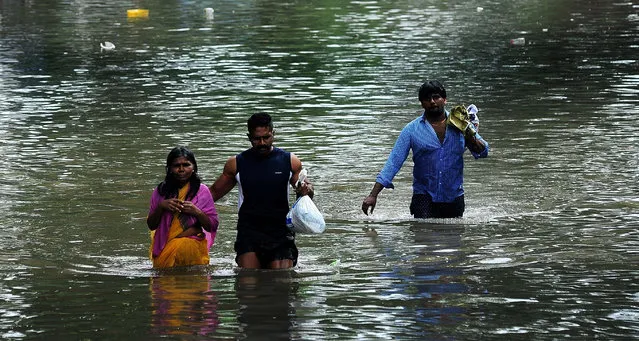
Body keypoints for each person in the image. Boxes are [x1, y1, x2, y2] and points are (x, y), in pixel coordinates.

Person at [361, 80, 489, 219]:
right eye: (427, 99)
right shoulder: (411, 130)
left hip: (454, 196)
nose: (432, 101)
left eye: (436, 97)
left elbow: (483, 151)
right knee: (423, 237)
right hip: (423, 198)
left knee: (453, 238)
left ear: (444, 100)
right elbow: (394, 162)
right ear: (422, 103)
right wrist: (373, 195)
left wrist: (469, 133)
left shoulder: (460, 124)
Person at [209, 113, 313, 269]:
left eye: (267, 137)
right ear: (249, 137)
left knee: (281, 281)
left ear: (273, 134)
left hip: (280, 231)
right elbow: (212, 194)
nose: (262, 143)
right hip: (249, 231)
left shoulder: (290, 161)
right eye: (257, 139)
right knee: (248, 284)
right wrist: (184, 208)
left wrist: (307, 190)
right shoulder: (236, 164)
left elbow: (305, 194)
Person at [147, 146, 219, 268]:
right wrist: (161, 206)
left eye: (186, 165)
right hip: (165, 248)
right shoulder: (161, 192)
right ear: (169, 168)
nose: (181, 169)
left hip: (192, 249)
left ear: (193, 168)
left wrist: (197, 212)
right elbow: (151, 225)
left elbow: (212, 225)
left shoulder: (202, 191)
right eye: (176, 166)